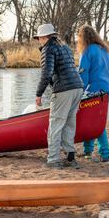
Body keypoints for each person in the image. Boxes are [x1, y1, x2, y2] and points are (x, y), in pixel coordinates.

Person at [34, 23, 84, 169]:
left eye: (39, 38)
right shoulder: (64, 47)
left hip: (64, 90)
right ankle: (70, 158)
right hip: (77, 87)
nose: (39, 41)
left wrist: (39, 94)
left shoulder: (48, 49)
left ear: (44, 37)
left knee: (55, 125)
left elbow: (46, 73)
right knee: (69, 124)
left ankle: (53, 160)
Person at [77, 25, 109, 163]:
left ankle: (105, 154)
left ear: (82, 38)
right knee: (91, 120)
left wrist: (79, 93)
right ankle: (88, 151)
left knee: (95, 122)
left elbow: (83, 75)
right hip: (107, 90)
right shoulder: (104, 50)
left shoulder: (86, 52)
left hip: (95, 91)